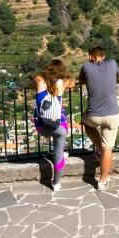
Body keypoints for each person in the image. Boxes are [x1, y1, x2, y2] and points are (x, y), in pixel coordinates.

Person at [78, 43, 119, 192]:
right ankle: (103, 181)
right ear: (104, 56)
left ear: (90, 57)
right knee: (108, 148)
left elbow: (81, 80)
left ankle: (98, 149)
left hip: (93, 116)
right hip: (112, 115)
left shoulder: (86, 66)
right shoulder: (113, 63)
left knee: (86, 124)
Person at [34, 60, 72, 193]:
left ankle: (61, 152)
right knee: (58, 155)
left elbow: (32, 80)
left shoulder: (39, 80)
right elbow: (71, 82)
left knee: (58, 151)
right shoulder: (62, 83)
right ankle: (56, 183)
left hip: (41, 126)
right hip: (58, 128)